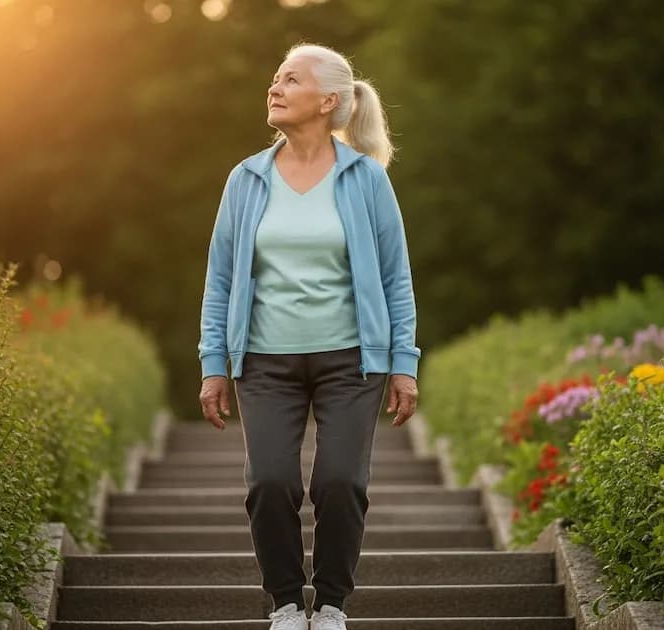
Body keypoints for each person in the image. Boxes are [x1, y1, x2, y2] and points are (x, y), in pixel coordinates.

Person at [196, 43, 421, 630]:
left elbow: (396, 275)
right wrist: (213, 363)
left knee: (341, 482)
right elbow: (220, 277)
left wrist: (404, 362)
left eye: (289, 80)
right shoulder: (246, 179)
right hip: (264, 362)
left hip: (352, 361)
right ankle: (288, 604)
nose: (274, 88)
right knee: (270, 482)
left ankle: (332, 606)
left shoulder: (366, 179)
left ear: (327, 101)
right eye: (275, 79)